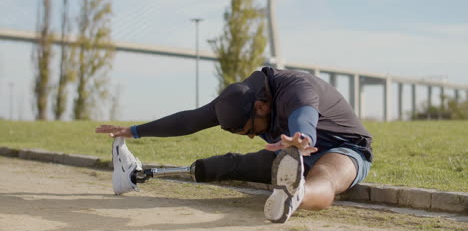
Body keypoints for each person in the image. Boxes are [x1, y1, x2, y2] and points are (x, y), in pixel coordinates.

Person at [96, 67, 373, 223]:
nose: (251, 136)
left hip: (342, 149)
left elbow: (305, 114)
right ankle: (291, 180)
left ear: (262, 106)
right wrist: (134, 131)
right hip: (287, 153)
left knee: (324, 176)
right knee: (232, 164)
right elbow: (188, 121)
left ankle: (296, 194)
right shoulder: (235, 100)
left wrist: (301, 138)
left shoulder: (295, 88)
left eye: (250, 131)